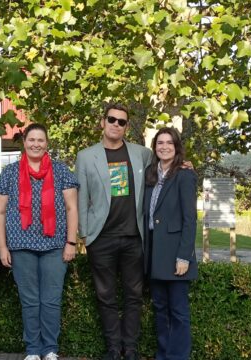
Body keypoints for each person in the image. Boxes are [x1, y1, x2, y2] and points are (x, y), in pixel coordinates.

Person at [0, 123, 79, 360]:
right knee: (30, 301)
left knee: (51, 301)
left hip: (55, 246)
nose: (36, 144)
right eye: (32, 139)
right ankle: (32, 350)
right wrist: (2, 246)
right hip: (21, 247)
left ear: (46, 143)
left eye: (41, 140)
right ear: (24, 142)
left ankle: (50, 349)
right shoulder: (10, 173)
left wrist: (71, 243)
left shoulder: (61, 172)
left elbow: (72, 208)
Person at [75, 104, 152, 360]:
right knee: (105, 296)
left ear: (127, 127)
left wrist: (182, 163)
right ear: (102, 122)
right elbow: (81, 198)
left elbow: (166, 163)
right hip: (102, 239)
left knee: (133, 296)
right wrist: (85, 235)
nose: (116, 125)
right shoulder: (86, 157)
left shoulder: (141, 154)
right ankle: (113, 349)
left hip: (134, 238)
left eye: (122, 122)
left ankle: (129, 349)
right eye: (112, 119)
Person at [143, 127, 198, 360]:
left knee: (178, 312)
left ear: (176, 147)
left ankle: (178, 357)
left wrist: (184, 256)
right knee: (160, 309)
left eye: (169, 143)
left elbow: (190, 219)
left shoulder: (184, 175)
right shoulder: (150, 173)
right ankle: (163, 354)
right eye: (160, 143)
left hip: (176, 253)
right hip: (154, 251)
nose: (164, 147)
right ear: (155, 147)